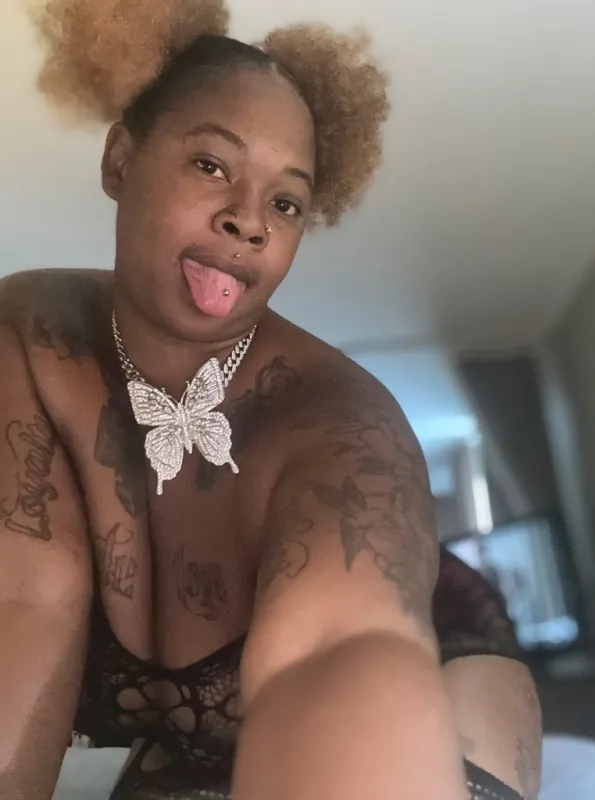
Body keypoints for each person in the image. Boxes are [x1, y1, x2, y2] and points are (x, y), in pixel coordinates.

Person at [0, 1, 541, 798]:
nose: (247, 221)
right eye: (212, 165)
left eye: (286, 203)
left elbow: (336, 654)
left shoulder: (343, 423)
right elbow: (26, 600)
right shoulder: (31, 337)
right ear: (120, 160)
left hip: (430, 661)